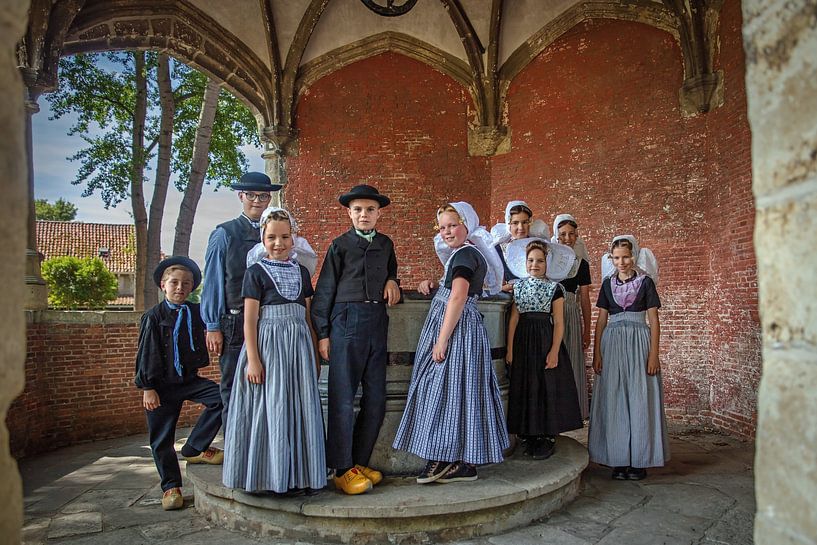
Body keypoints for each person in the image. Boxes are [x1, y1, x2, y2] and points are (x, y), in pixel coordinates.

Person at [393, 202, 508, 484]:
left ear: (467, 225)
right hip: (461, 327)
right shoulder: (464, 255)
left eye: (452, 225)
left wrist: (442, 340)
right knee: (459, 392)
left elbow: (458, 297)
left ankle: (443, 457)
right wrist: (433, 284)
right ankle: (463, 462)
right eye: (442, 227)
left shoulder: (466, 254)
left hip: (456, 331)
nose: (446, 231)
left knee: (444, 390)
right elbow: (454, 288)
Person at [222, 208, 326, 495]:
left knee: (300, 406)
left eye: (284, 237)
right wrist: (253, 360)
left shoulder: (302, 273)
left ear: (293, 239)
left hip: (299, 346)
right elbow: (250, 320)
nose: (278, 243)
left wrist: (314, 353)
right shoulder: (255, 273)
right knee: (272, 407)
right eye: (271, 237)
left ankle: (299, 475)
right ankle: (269, 475)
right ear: (262, 239)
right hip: (269, 347)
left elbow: (307, 315)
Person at [311, 184, 401, 495]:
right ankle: (340, 468)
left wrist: (392, 280)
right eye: (358, 209)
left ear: (379, 213)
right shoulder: (339, 245)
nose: (364, 214)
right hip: (345, 321)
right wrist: (323, 334)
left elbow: (392, 272)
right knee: (343, 399)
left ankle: (358, 462)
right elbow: (323, 292)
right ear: (349, 213)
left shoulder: (386, 244)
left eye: (370, 210)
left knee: (376, 399)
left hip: (377, 321)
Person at [135, 257, 224, 511]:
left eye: (186, 283)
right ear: (163, 285)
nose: (180, 288)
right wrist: (147, 387)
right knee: (161, 439)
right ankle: (171, 486)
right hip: (160, 385)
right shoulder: (153, 317)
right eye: (174, 282)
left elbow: (215, 320)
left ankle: (195, 446)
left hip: (187, 379)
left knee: (221, 397)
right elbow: (146, 353)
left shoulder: (196, 312)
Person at [201, 172, 282, 426]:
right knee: (234, 390)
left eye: (263, 195)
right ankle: (236, 456)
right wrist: (213, 325)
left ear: (269, 198)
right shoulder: (224, 234)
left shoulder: (277, 234)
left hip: (269, 323)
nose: (257, 200)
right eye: (251, 195)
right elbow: (213, 281)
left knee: (267, 387)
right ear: (241, 196)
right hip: (235, 323)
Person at [588, 235, 669, 480]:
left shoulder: (646, 283)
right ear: (611, 259)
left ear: (634, 256)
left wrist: (654, 354)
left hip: (639, 342)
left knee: (639, 396)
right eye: (616, 258)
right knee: (614, 398)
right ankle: (618, 459)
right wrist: (597, 352)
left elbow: (653, 320)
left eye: (626, 256)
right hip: (612, 342)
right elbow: (601, 320)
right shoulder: (606, 284)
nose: (621, 262)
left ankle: (639, 461)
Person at [505, 240, 583, 459]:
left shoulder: (554, 289)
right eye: (531, 260)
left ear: (547, 263)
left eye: (540, 260)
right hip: (523, 340)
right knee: (526, 385)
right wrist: (510, 349)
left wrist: (554, 351)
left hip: (544, 340)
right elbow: (513, 319)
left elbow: (558, 322)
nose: (535, 264)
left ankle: (546, 435)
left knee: (545, 385)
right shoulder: (518, 286)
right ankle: (529, 434)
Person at [552, 213, 593, 419]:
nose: (567, 238)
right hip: (549, 314)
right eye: (562, 234)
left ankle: (572, 411)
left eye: (571, 234)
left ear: (577, 236)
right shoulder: (549, 259)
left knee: (571, 359)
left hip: (570, 312)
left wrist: (587, 330)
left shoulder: (581, 264)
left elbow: (585, 299)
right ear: (555, 236)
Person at [490, 200, 550, 292]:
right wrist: (505, 288)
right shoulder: (499, 249)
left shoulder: (540, 246)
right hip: (510, 298)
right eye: (515, 223)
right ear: (508, 224)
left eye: (524, 222)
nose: (521, 227)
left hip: (539, 296)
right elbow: (497, 285)